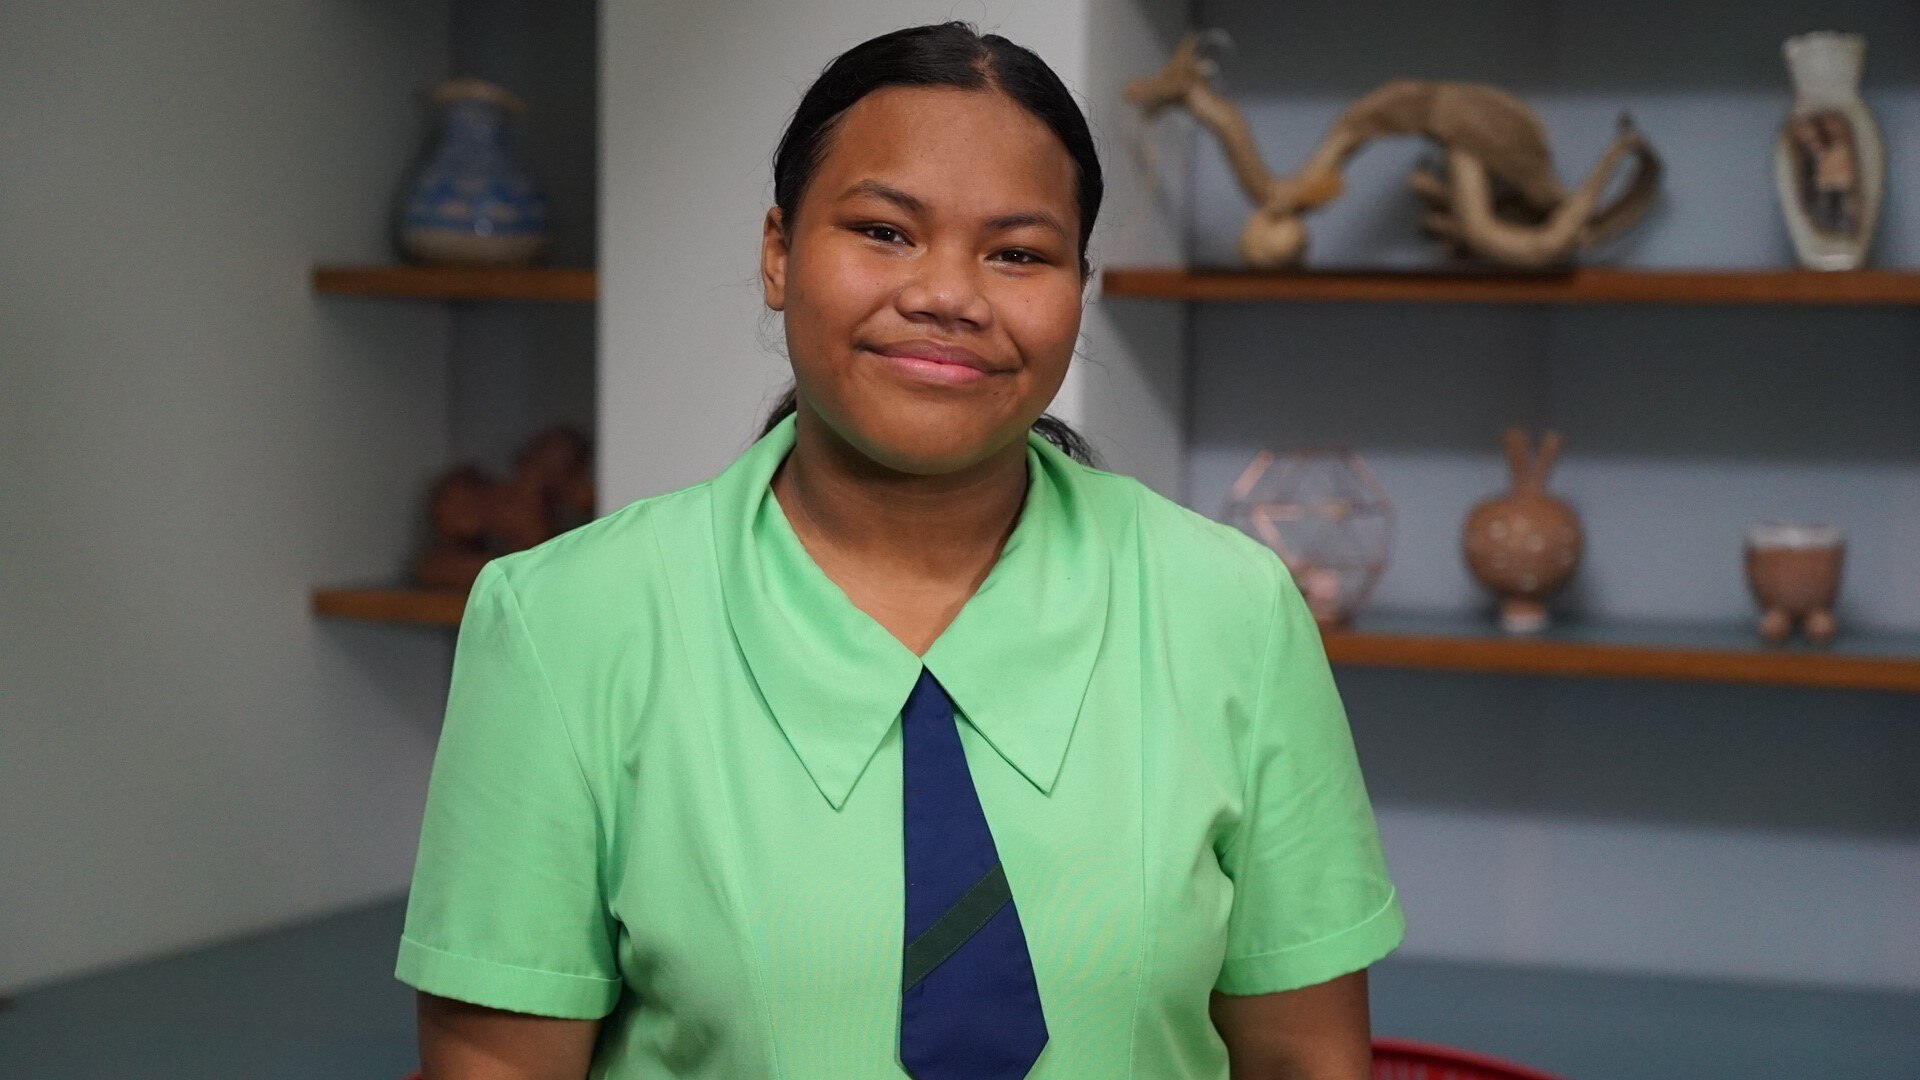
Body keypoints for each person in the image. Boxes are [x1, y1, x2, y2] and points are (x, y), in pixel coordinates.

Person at [396, 21, 1403, 1080]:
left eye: (1018, 253)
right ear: (779, 251)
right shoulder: (564, 623)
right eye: (884, 231)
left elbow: (1308, 1063)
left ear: (1079, 287)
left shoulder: (1233, 610)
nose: (947, 296)